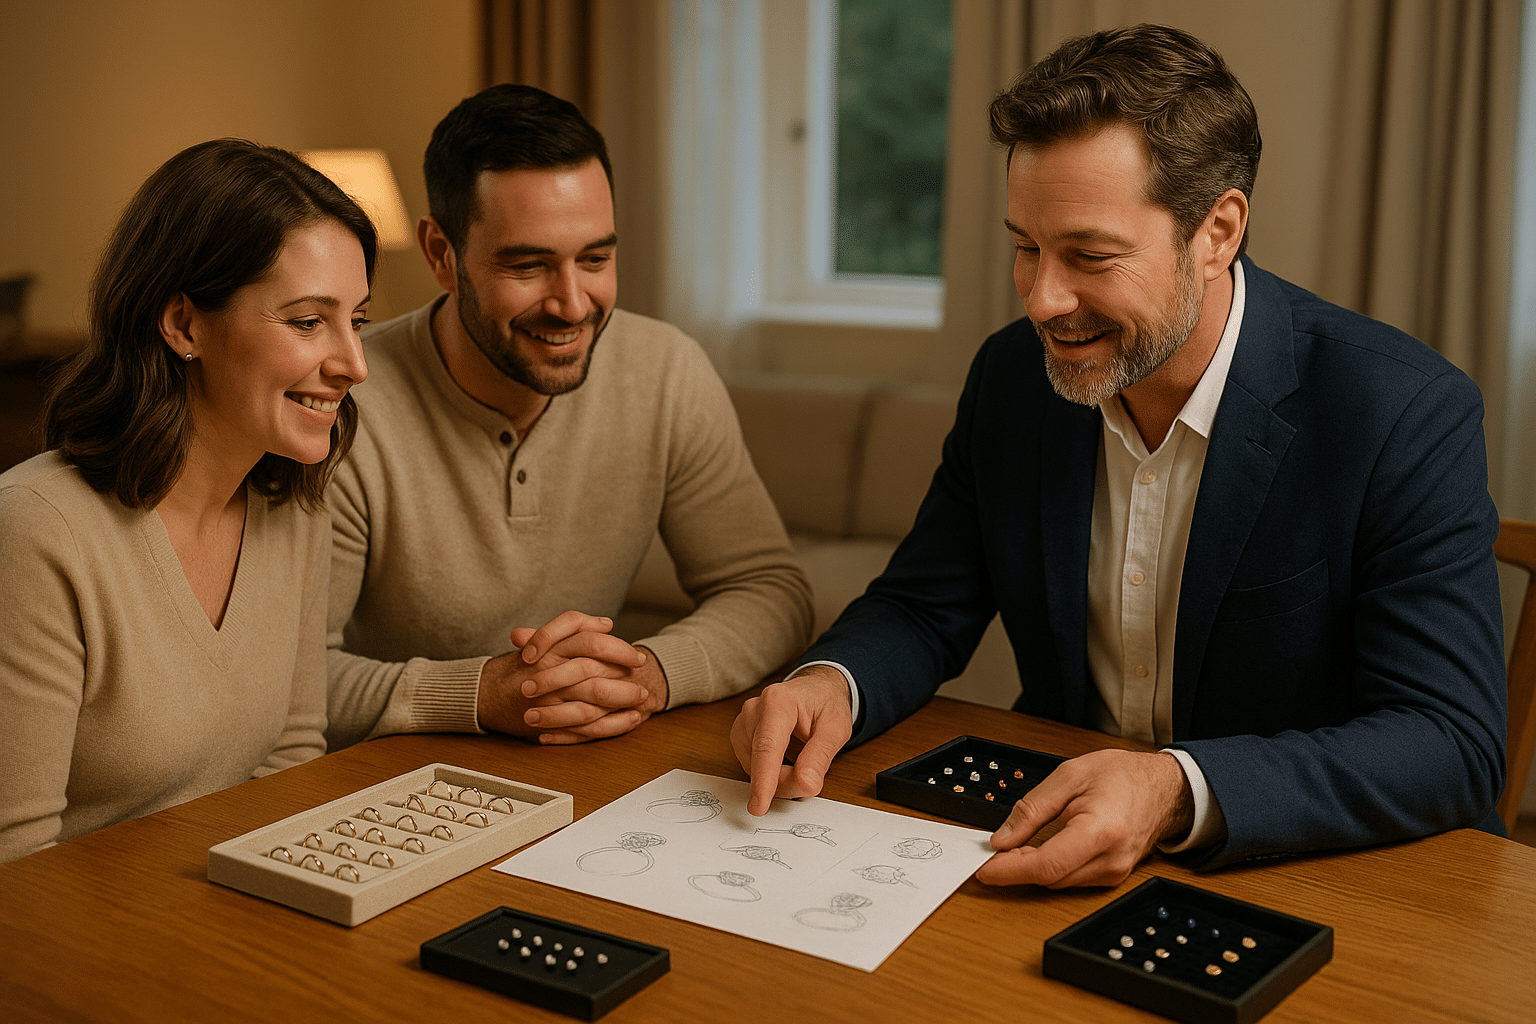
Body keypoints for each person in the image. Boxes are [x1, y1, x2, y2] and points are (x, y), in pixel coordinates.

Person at [731, 24, 1507, 886]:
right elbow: (923, 606)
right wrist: (831, 683)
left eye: (1089, 256)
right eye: (1025, 247)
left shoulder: (1400, 409)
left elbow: (1450, 739)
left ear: (1218, 231)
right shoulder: (1014, 379)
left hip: (1309, 872)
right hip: (1050, 838)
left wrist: (1176, 789)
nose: (1042, 299)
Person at [325, 85, 812, 749]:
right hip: (388, 789)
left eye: (596, 259)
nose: (573, 303)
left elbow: (770, 591)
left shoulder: (665, 370)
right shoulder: (344, 403)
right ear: (441, 254)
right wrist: (483, 694)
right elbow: (290, 678)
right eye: (528, 265)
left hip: (586, 771)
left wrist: (648, 675)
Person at [0, 139, 374, 862]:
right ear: (183, 326)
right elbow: (15, 870)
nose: (353, 365)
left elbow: (287, 766)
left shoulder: (294, 509)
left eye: (356, 320)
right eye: (306, 322)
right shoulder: (36, 534)